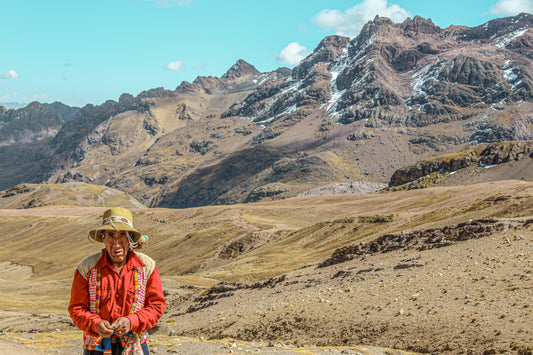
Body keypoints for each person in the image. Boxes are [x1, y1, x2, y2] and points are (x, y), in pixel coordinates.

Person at [69, 207, 166, 355]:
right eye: (110, 235)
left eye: (122, 235)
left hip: (135, 346)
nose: (116, 242)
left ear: (130, 238)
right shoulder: (87, 268)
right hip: (97, 347)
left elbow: (156, 305)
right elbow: (77, 309)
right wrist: (96, 324)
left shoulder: (147, 266)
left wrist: (132, 321)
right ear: (103, 238)